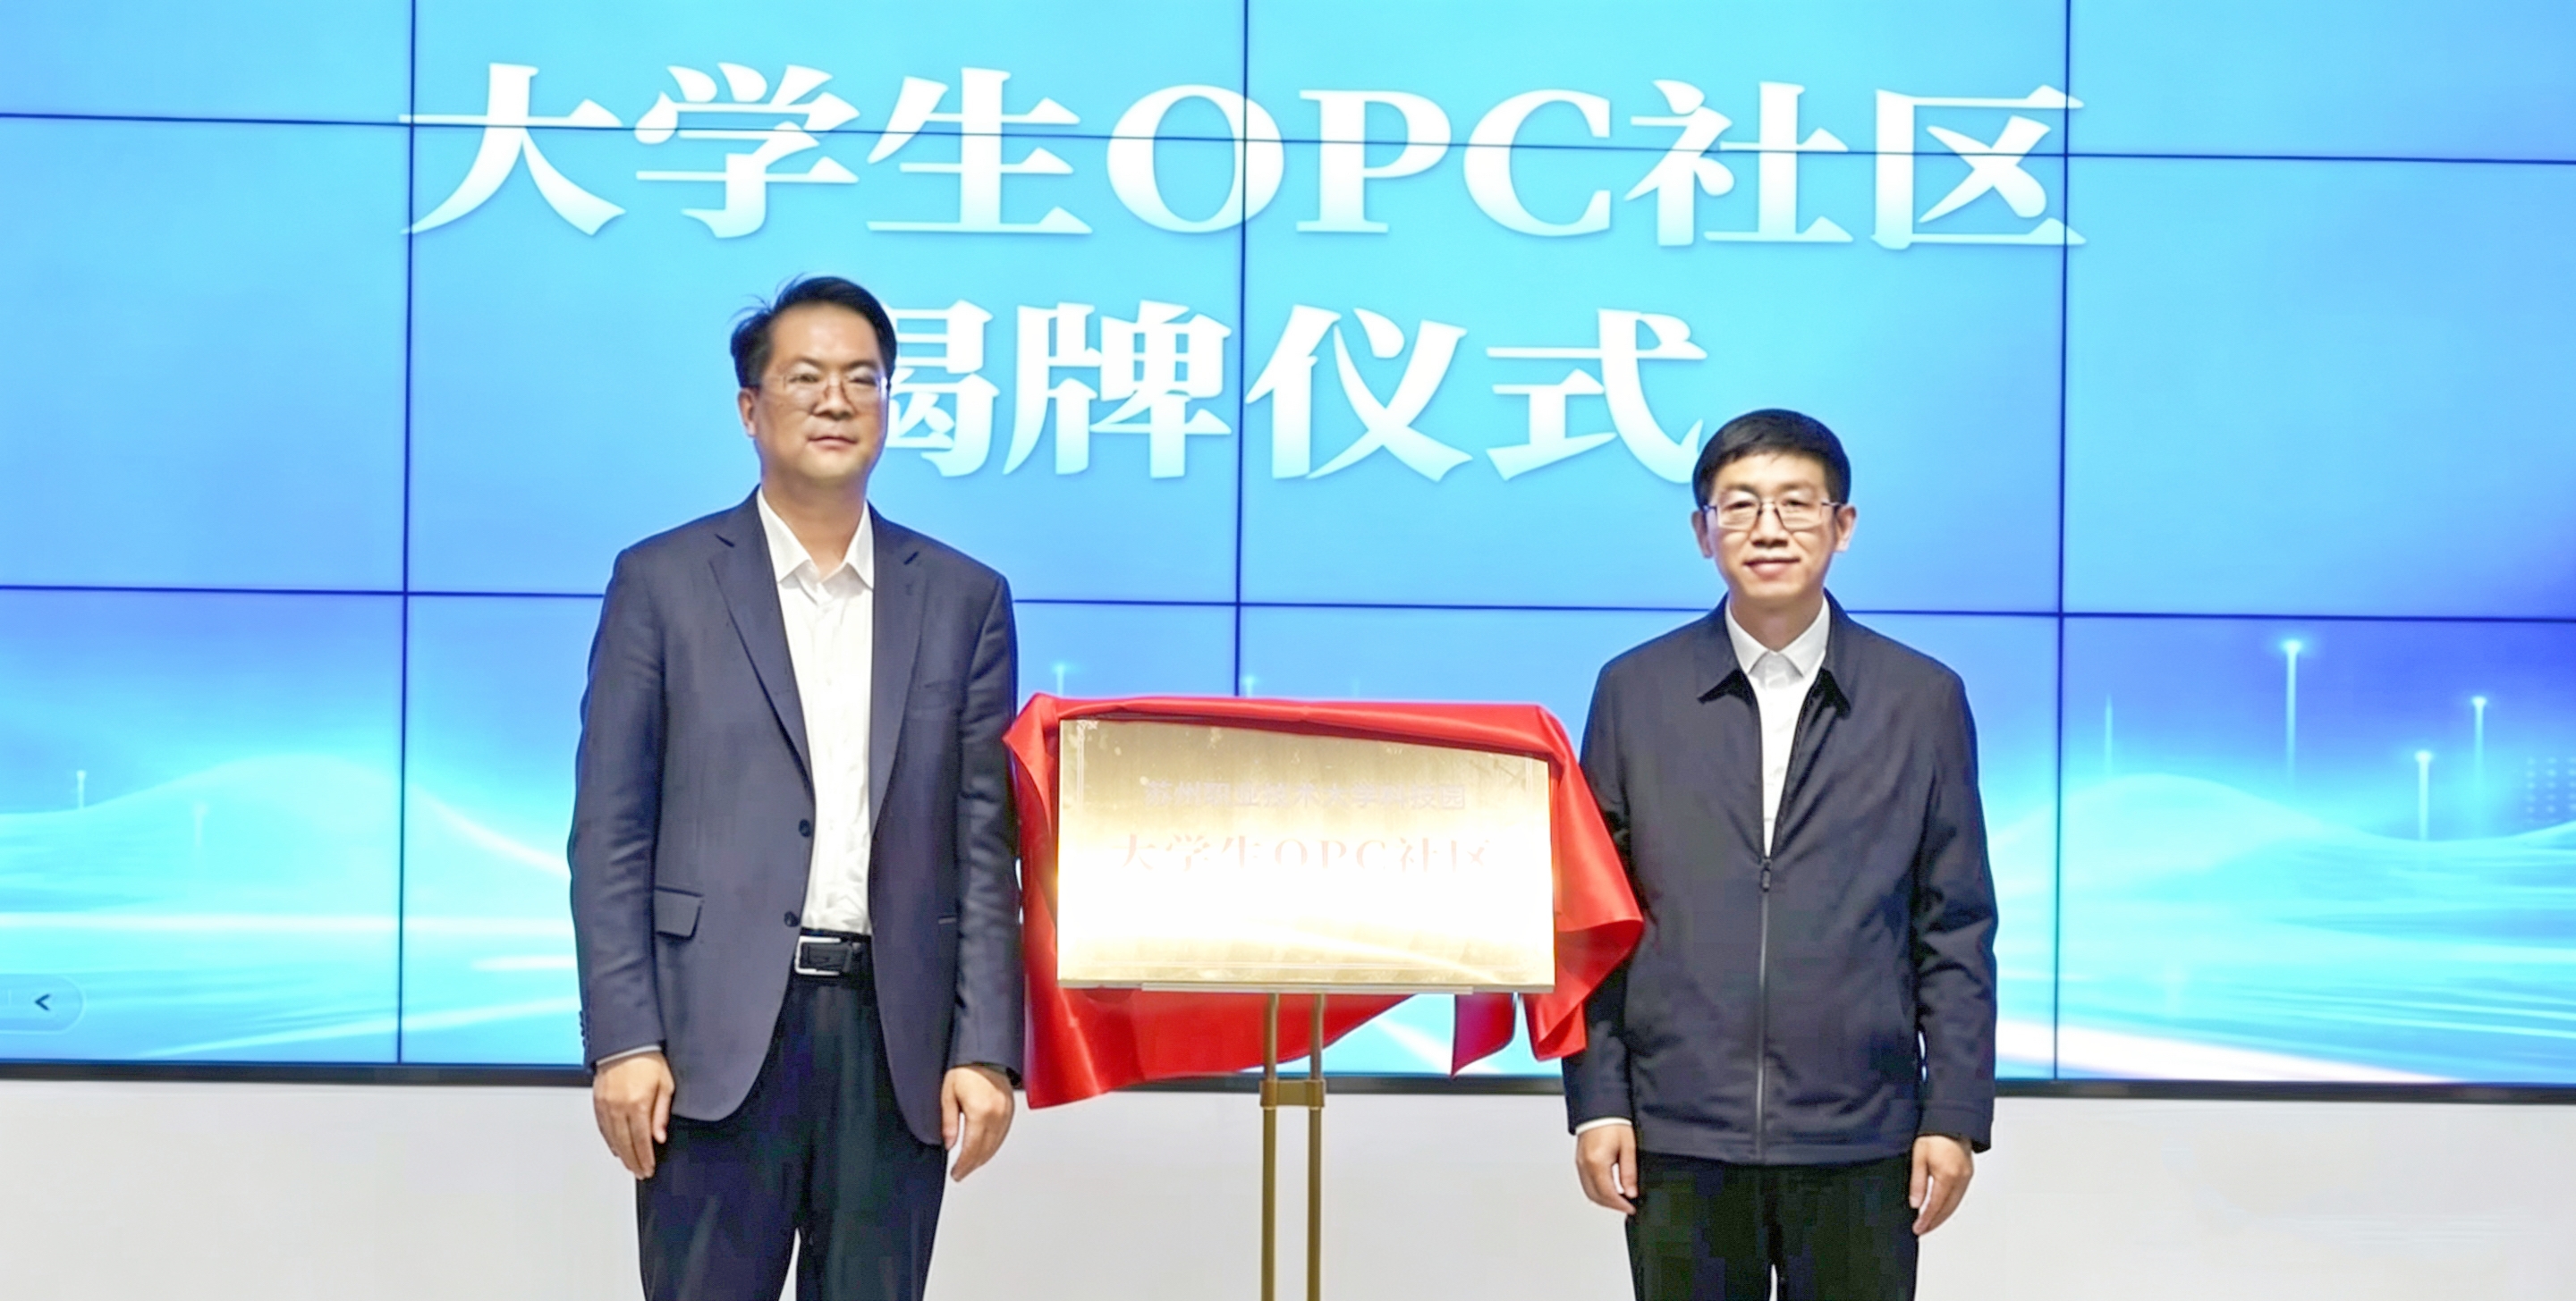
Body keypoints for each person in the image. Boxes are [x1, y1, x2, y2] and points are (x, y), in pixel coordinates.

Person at [569, 275, 1022, 1301]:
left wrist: (987, 1048)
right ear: (750, 408)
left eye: (863, 379)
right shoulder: (663, 583)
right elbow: (610, 833)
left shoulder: (963, 599)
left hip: (894, 1041)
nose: (836, 401)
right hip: (712, 1043)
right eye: (806, 377)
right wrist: (625, 1038)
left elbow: (982, 844)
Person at [1564, 409, 1998, 1300]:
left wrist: (1953, 1112)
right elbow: (1593, 916)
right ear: (1703, 531)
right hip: (1679, 1132)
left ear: (1844, 525)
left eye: (1797, 503)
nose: (1769, 528)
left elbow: (1955, 923)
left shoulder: (1920, 699)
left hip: (1862, 1136)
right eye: (1741, 505)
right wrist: (1599, 1099)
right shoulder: (1634, 691)